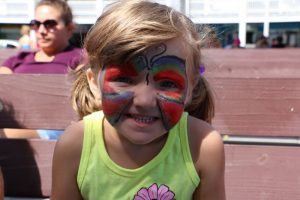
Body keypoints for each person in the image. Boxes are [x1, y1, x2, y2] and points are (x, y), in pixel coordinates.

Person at [51, 0, 225, 199]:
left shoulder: (203, 146)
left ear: (191, 87)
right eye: (123, 79)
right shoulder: (76, 145)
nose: (144, 100)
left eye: (167, 83)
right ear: (94, 83)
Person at [0, 0, 82, 139]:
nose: (42, 30)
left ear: (69, 28)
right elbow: (4, 85)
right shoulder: (18, 59)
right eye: (36, 24)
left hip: (57, 128)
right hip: (15, 123)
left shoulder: (80, 58)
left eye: (50, 24)